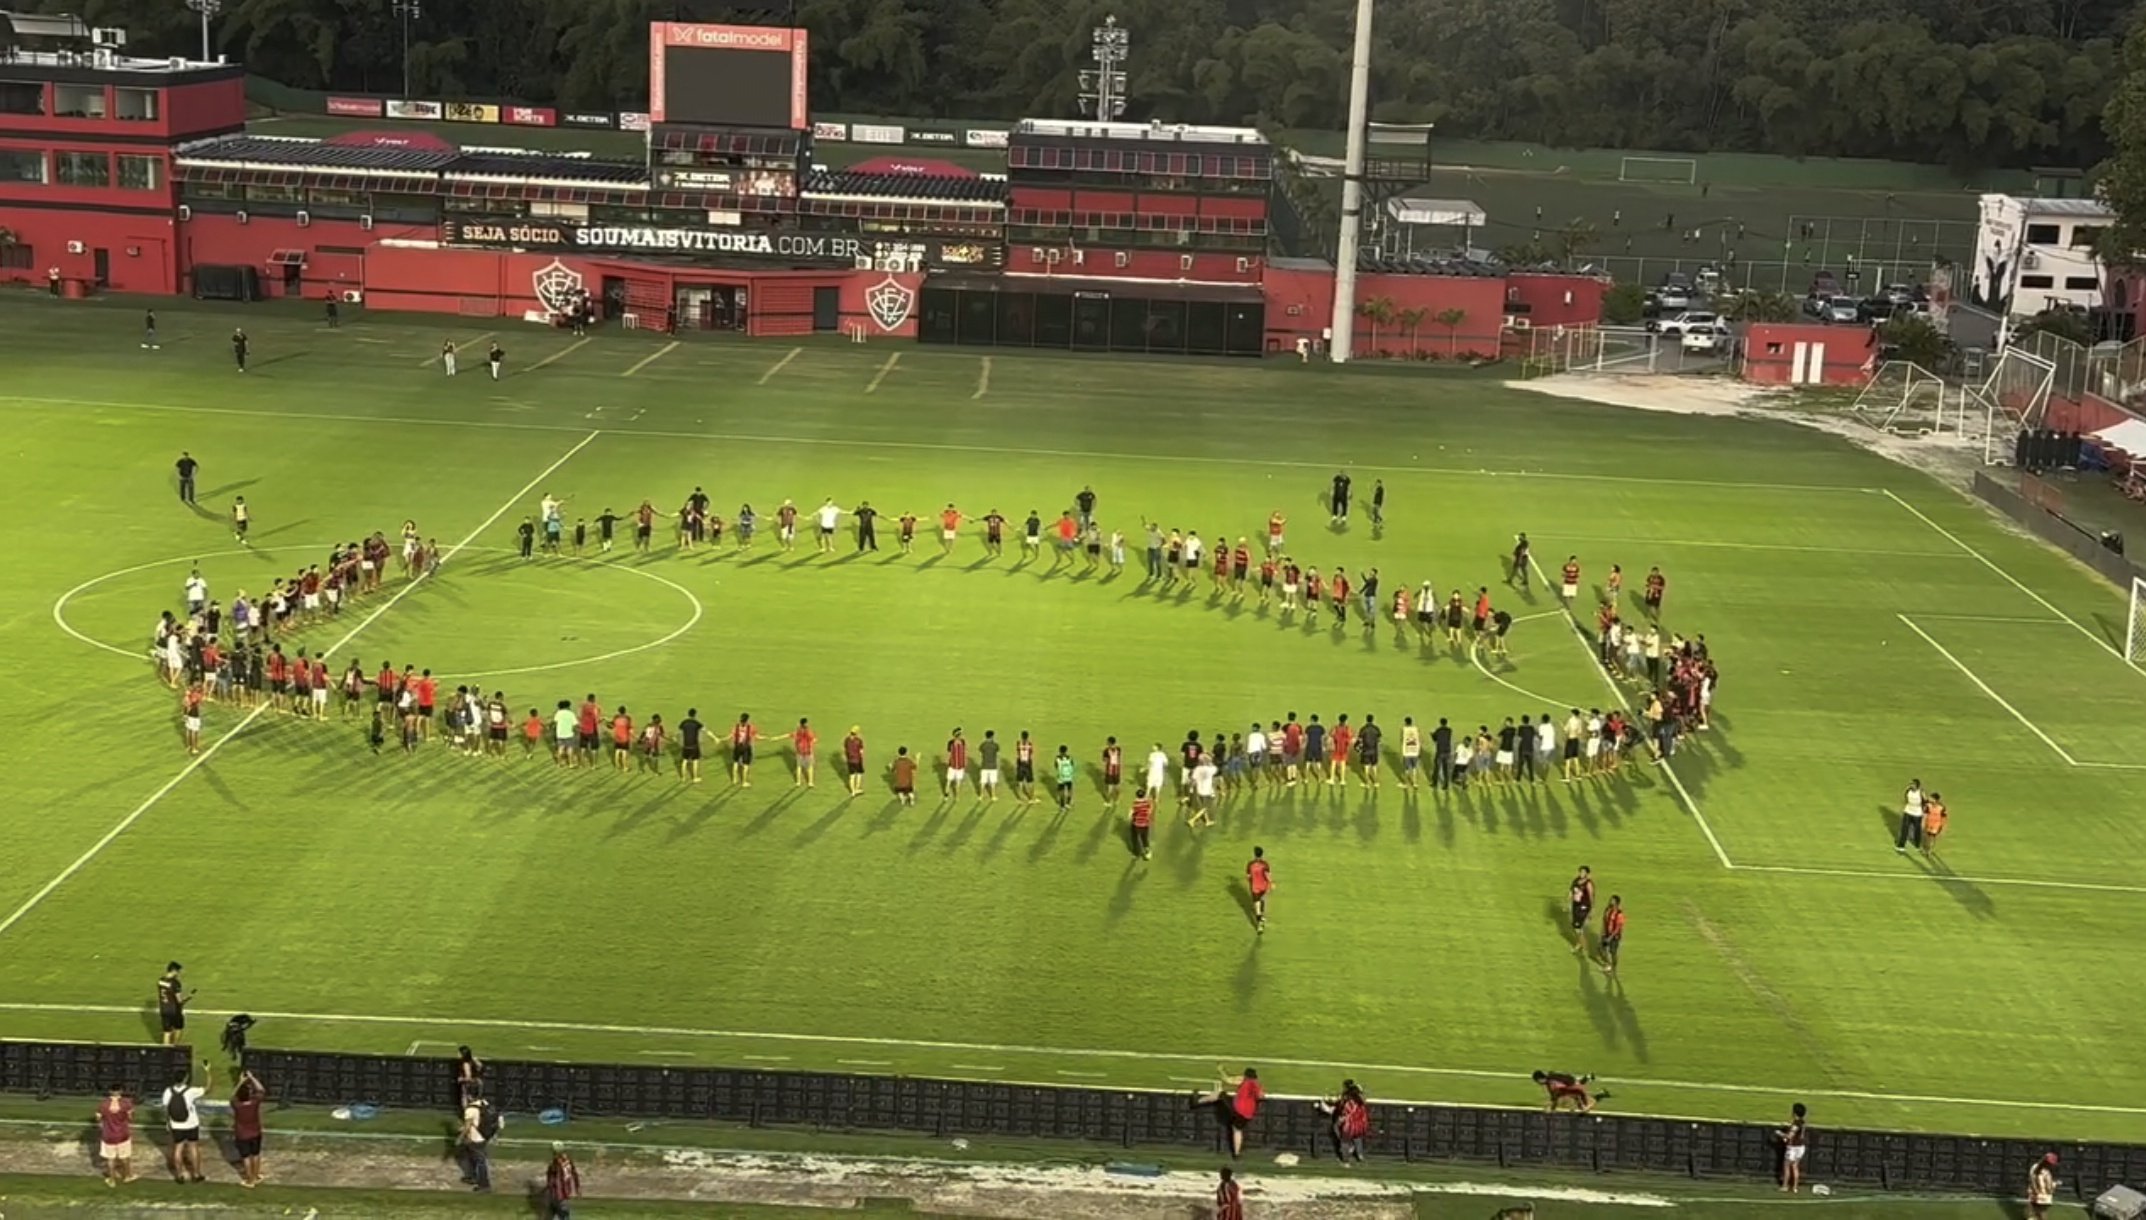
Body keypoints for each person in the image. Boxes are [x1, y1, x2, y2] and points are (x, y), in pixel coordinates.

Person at [1190, 1066, 1262, 1159]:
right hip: (1247, 1115)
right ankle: (1236, 1154)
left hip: (1237, 1109)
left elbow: (1227, 1080)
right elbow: (1260, 1096)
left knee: (1220, 1094)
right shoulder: (1257, 1085)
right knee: (1237, 1130)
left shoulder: (1244, 1080)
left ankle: (1197, 1102)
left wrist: (1221, 1071)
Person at [161, 1062, 210, 1182]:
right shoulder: (190, 1091)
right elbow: (207, 1088)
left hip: (176, 1124)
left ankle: (179, 1175)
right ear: (185, 1079)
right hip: (191, 1124)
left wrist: (168, 1123)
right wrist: (208, 1072)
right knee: (193, 1147)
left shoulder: (168, 1091)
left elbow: (166, 1109)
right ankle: (196, 1174)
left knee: (178, 1148)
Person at [460, 1084, 500, 1192]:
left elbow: (467, 1126)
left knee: (479, 1161)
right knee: (472, 1156)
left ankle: (484, 1185)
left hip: (475, 1138)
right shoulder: (484, 1103)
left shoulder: (470, 1109)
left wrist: (461, 1137)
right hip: (484, 1136)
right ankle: (473, 1177)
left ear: (469, 1096)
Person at [230, 1069, 267, 1187]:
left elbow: (232, 1096)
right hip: (256, 1132)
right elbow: (261, 1090)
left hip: (242, 1134)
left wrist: (240, 1082)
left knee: (246, 1157)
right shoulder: (255, 1102)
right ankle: (256, 1176)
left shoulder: (237, 1105)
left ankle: (250, 1180)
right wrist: (251, 1078)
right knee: (255, 1154)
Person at [97, 1085, 136, 1187]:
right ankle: (127, 1176)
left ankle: (112, 1180)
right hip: (123, 1134)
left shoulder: (103, 1104)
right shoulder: (126, 1103)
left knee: (110, 1158)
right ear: (121, 1091)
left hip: (108, 1134)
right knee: (125, 1157)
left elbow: (98, 1118)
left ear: (110, 1091)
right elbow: (131, 1117)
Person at [1325, 1079, 1370, 1163]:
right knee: (1357, 1137)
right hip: (1361, 1123)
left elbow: (1342, 1109)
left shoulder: (1346, 1099)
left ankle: (1346, 1158)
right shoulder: (1360, 1098)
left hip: (1350, 1123)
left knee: (1341, 1135)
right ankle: (1360, 1155)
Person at [156, 962, 191, 1046]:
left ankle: (165, 1051)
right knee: (178, 1027)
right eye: (178, 971)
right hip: (174, 1010)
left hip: (164, 1009)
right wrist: (188, 998)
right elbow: (179, 1001)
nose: (178, 974)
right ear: (174, 971)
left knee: (167, 1032)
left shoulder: (160, 980)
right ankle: (174, 1047)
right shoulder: (175, 983)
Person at [545, 1142, 582, 1218]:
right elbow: (575, 1174)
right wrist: (577, 1188)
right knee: (564, 1215)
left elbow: (551, 1177)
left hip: (557, 1194)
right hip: (566, 1193)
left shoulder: (555, 1163)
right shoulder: (568, 1161)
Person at [1777, 1102, 1808, 1193]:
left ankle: (1785, 1186)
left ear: (1794, 1113)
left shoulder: (1795, 1124)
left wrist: (1780, 1134)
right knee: (1795, 1166)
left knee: (1786, 1166)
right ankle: (1795, 1187)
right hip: (1801, 1147)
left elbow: (1789, 1136)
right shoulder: (1803, 1123)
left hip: (1793, 1148)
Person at [1532, 1069, 1596, 1112]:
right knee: (1576, 1089)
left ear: (1540, 1079)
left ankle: (1585, 1105)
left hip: (1570, 1083)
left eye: (1537, 1081)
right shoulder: (1550, 1079)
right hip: (1569, 1081)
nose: (1538, 1083)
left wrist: (1551, 1108)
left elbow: (1556, 1095)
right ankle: (1588, 1077)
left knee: (1576, 1092)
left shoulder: (1551, 1083)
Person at [1568, 866, 1595, 955]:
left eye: (1583, 872)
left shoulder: (1588, 883)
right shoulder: (1576, 880)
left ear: (1587, 874)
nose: (1581, 874)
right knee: (1576, 927)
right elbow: (1571, 891)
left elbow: (1591, 896)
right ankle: (1580, 943)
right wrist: (1568, 901)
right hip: (1575, 905)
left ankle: (1582, 946)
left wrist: (1591, 910)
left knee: (1577, 927)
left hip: (1583, 907)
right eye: (1580, 872)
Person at [1895, 778, 1926, 855]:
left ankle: (1917, 845)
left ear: (1917, 785)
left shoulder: (1921, 792)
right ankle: (1901, 845)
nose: (1911, 785)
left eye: (1913, 784)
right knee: (1904, 829)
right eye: (1911, 784)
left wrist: (1923, 811)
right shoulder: (1908, 790)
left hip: (1917, 813)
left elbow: (1925, 801)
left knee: (1917, 830)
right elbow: (1906, 798)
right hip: (1908, 811)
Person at [1246, 846, 1271, 933]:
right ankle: (1262, 917)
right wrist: (1271, 883)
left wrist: (1251, 882)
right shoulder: (1265, 864)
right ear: (1262, 854)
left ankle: (1260, 923)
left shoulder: (1250, 864)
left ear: (1254, 854)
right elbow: (1268, 875)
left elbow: (1248, 877)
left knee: (1257, 907)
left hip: (1255, 887)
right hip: (1263, 886)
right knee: (1262, 901)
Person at [1599, 894, 1626, 976]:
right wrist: (1603, 932)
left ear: (1617, 903)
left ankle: (1613, 968)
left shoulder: (1619, 914)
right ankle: (1608, 964)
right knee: (1602, 949)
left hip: (1614, 936)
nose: (1610, 901)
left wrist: (1610, 938)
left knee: (1613, 952)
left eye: (1612, 900)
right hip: (1606, 933)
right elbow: (1604, 921)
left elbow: (1618, 928)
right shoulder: (1608, 910)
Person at [2027, 1152, 2058, 1220]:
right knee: (2042, 1214)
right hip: (2044, 1197)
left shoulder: (2034, 1167)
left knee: (2033, 1215)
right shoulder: (2046, 1173)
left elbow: (2030, 1179)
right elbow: (2049, 1189)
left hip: (2033, 1194)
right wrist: (2055, 1184)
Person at [1128, 786, 1154, 859]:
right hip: (1145, 824)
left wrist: (1130, 819)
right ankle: (1148, 852)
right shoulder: (1147, 803)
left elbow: (1130, 814)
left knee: (1135, 839)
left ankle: (1136, 853)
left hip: (1137, 824)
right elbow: (1150, 809)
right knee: (1145, 839)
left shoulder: (1135, 804)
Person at [1921, 791, 1948, 858]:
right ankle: (1927, 849)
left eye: (1931, 798)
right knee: (1927, 837)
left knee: (1932, 838)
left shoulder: (1941, 808)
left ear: (1935, 800)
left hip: (1936, 825)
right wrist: (1923, 823)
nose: (1930, 799)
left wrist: (1943, 828)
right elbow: (1925, 815)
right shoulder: (1928, 805)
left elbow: (1944, 818)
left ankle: (1929, 850)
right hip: (1928, 823)